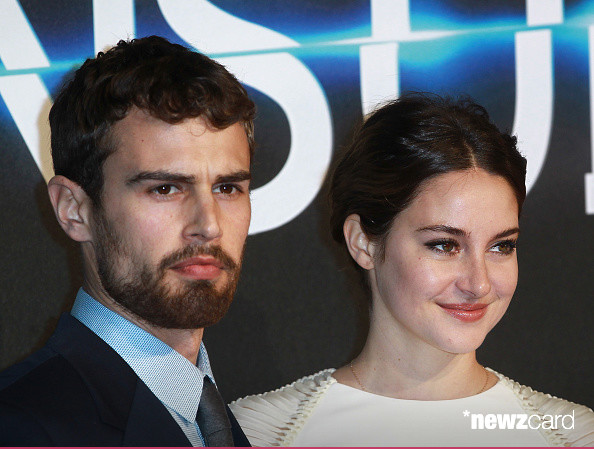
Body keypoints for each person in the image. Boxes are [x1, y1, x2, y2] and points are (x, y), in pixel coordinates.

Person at [230, 94, 594, 446]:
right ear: (363, 243)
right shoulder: (259, 434)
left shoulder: (573, 435)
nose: (479, 284)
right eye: (444, 245)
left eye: (501, 246)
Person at [0, 36, 255, 446]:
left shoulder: (220, 419)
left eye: (227, 188)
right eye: (165, 189)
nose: (209, 225)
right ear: (74, 209)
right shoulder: (19, 428)